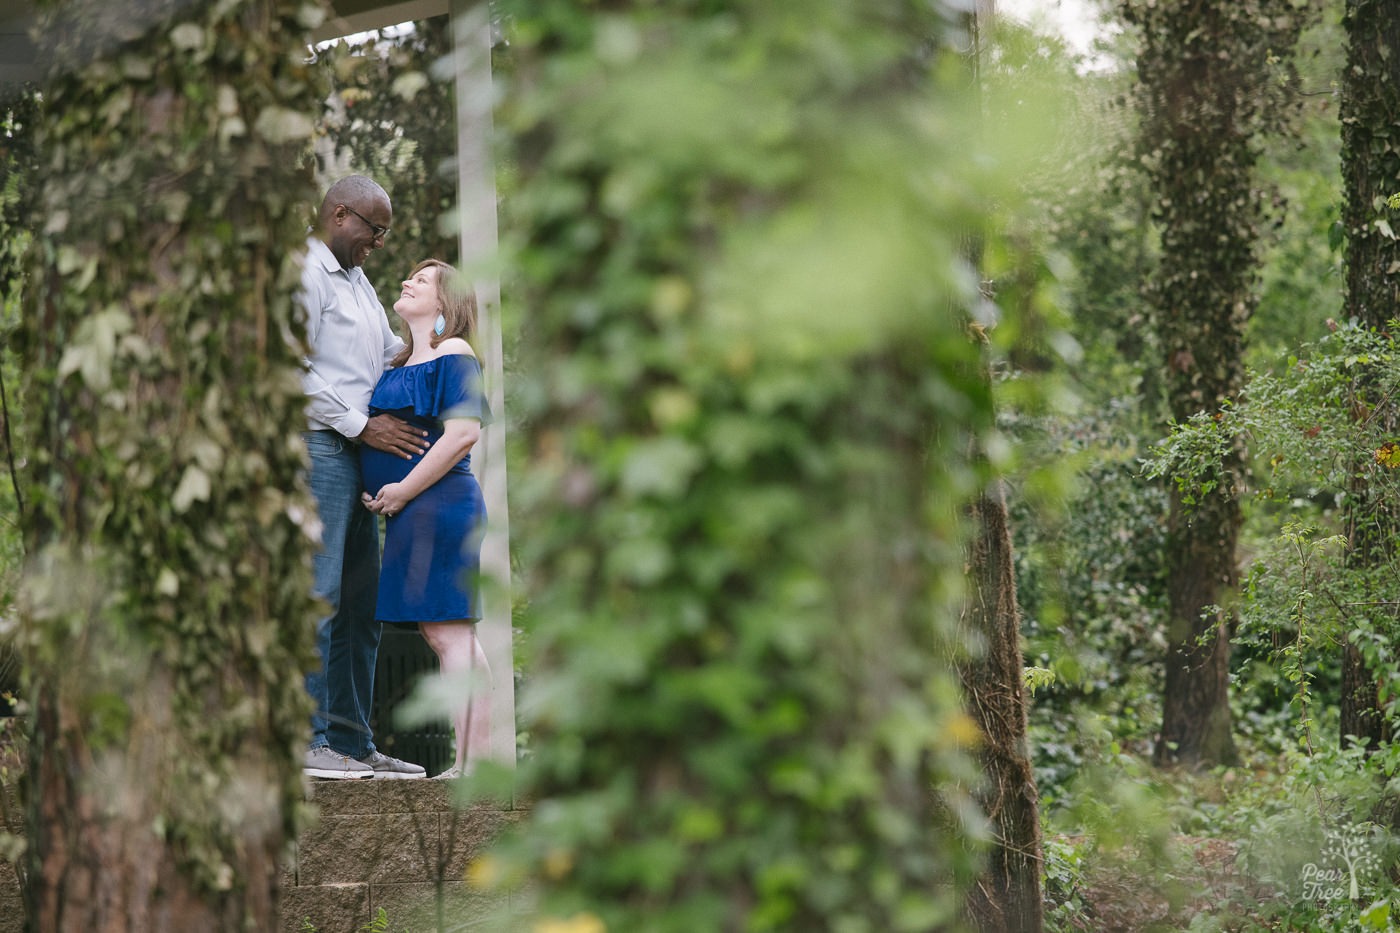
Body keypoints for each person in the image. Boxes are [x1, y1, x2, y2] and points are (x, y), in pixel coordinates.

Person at [299, 175, 429, 780]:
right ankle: (307, 740)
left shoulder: (357, 281)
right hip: (320, 448)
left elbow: (381, 359)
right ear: (340, 215)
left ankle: (352, 743)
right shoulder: (304, 271)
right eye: (374, 230)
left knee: (360, 605)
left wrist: (434, 336)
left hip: (359, 457)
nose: (377, 243)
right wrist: (359, 426)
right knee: (318, 594)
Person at [360, 259, 493, 781]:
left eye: (423, 279)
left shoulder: (453, 352)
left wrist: (400, 491)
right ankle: (475, 761)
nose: (408, 281)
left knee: (448, 633)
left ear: (445, 303)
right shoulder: (398, 360)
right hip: (413, 512)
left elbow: (462, 435)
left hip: (441, 506)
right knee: (447, 634)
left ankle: (473, 764)